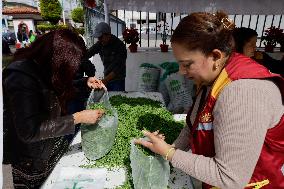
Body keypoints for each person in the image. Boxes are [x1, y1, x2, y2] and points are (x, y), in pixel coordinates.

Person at [135, 11, 284, 189]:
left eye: (187, 64)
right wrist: (170, 146)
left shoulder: (242, 91)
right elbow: (193, 126)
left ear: (215, 56)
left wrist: (170, 154)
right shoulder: (214, 76)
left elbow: (229, 178)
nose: (182, 71)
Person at [3, 29, 105, 189]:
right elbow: (30, 131)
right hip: (31, 159)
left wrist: (85, 82)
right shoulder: (20, 77)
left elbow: (57, 88)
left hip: (51, 146)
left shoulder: (43, 68)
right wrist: (78, 117)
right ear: (57, 59)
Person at [86, 22, 127, 91]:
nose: (99, 39)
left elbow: (118, 68)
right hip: (106, 76)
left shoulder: (120, 46)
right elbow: (88, 53)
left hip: (118, 80)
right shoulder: (100, 44)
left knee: (116, 99)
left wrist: (104, 81)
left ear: (108, 34)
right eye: (98, 38)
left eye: (100, 37)